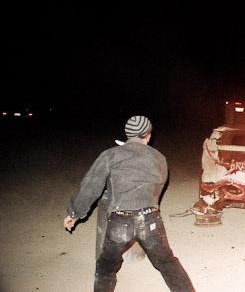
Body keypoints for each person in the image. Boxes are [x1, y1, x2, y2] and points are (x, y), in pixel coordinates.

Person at [63, 115, 195, 292]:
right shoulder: (158, 157)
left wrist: (74, 214)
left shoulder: (110, 155)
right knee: (167, 263)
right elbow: (159, 185)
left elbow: (90, 186)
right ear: (147, 135)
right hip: (150, 220)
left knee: (105, 267)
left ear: (127, 134)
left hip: (119, 222)